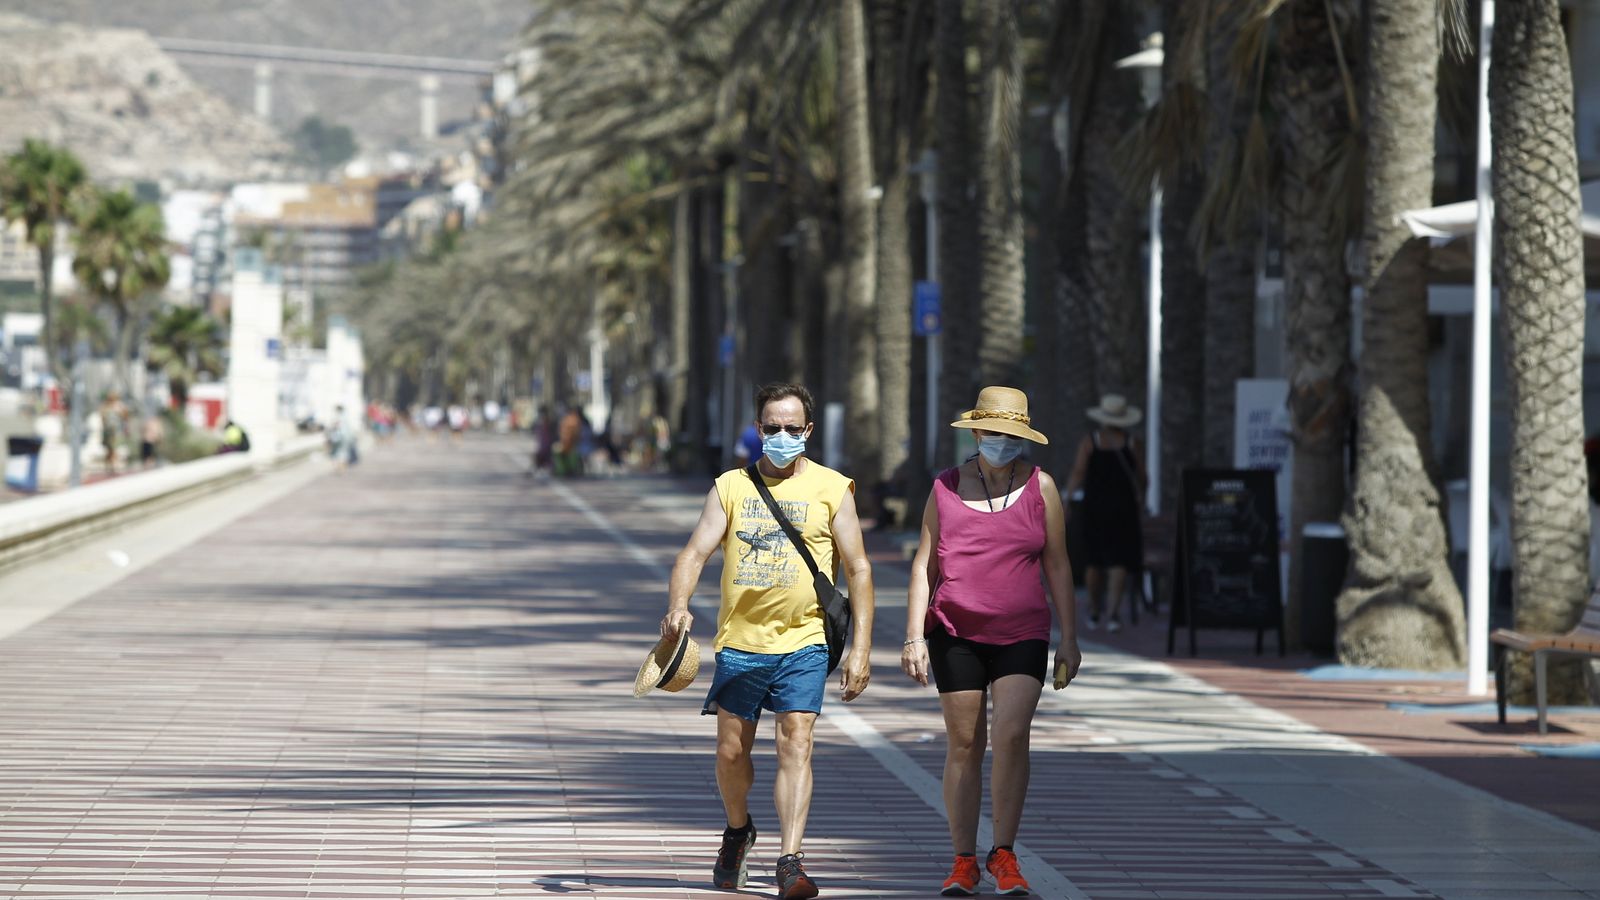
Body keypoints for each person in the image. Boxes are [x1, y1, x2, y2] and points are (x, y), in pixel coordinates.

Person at [660, 382, 874, 900]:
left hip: (805, 641)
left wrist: (861, 649)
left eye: (791, 428)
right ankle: (738, 832)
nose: (781, 436)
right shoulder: (730, 486)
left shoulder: (832, 488)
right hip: (741, 641)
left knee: (796, 741)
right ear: (758, 430)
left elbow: (860, 569)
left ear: (808, 431)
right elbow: (694, 553)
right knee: (732, 753)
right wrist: (678, 605)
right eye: (772, 428)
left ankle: (790, 860)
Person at [901, 385, 1080, 898]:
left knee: (1011, 734)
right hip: (955, 631)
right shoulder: (945, 487)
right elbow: (924, 565)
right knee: (964, 743)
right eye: (992, 432)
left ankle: (1003, 852)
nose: (1001, 441)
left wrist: (1070, 637)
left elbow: (1058, 563)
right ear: (976, 432)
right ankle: (963, 860)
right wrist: (914, 636)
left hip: (1022, 631)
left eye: (1010, 434)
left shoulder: (1041, 487)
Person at [1064, 394, 1146, 633]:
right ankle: (1112, 614)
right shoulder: (1132, 442)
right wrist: (1142, 495)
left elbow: (1078, 472)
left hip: (1095, 508)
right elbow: (1142, 475)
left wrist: (1067, 500)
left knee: (1093, 561)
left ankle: (1093, 607)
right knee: (1118, 561)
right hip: (1124, 508)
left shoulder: (1091, 441)